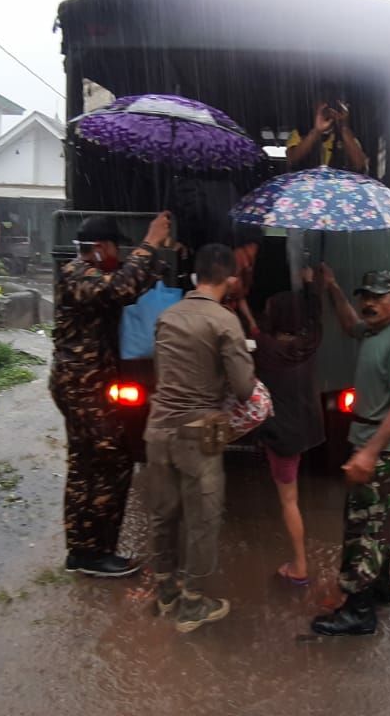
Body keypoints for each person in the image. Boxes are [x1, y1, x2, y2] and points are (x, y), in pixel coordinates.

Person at [143, 243, 257, 634]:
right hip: (198, 434)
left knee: (163, 514)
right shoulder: (225, 321)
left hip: (158, 430)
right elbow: (244, 389)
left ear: (195, 275)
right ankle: (193, 602)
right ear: (230, 278)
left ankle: (165, 590)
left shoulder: (167, 316)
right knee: (202, 520)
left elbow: (163, 372)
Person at [51, 212, 170, 577]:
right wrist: (149, 242)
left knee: (87, 465)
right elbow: (120, 288)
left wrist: (160, 255)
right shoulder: (76, 273)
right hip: (82, 387)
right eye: (116, 248)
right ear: (101, 249)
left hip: (86, 384)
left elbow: (134, 286)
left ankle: (85, 550)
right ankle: (94, 552)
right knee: (111, 462)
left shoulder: (95, 275)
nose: (118, 255)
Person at [311, 266, 390, 636]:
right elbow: (348, 324)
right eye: (365, 296)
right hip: (370, 440)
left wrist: (370, 453)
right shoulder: (375, 330)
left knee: (364, 529)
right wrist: (334, 289)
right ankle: (380, 586)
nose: (369, 303)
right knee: (380, 522)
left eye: (379, 296)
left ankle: (358, 611)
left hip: (381, 448)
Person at [253, 267, 326, 585]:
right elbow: (316, 316)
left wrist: (241, 301)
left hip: (281, 437)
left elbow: (254, 331)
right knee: (291, 497)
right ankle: (299, 562)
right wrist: (312, 287)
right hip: (304, 431)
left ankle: (299, 567)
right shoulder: (308, 343)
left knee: (289, 501)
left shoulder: (267, 350)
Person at [285, 92, 368, 173]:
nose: (327, 106)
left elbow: (360, 165)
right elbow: (292, 160)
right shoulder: (299, 132)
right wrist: (316, 131)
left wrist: (343, 128)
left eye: (331, 102)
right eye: (322, 102)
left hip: (338, 185)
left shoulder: (347, 135)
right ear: (313, 106)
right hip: (305, 185)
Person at [221, 224, 261, 335]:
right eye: (253, 246)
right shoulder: (237, 258)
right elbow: (235, 296)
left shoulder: (247, 262)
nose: (255, 250)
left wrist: (251, 321)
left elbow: (240, 297)